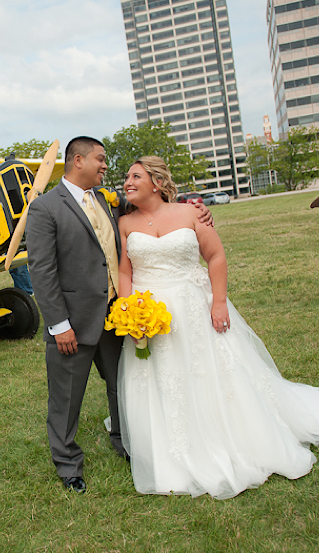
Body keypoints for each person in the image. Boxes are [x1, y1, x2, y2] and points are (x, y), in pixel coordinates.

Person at [115, 156, 319, 499]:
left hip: (193, 306)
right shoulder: (124, 222)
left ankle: (228, 434)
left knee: (210, 374)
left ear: (157, 182)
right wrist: (129, 309)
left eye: (135, 176)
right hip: (146, 312)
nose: (127, 182)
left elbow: (215, 256)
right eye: (126, 177)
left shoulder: (190, 213)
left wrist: (219, 301)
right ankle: (173, 447)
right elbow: (125, 270)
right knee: (161, 378)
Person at [27, 137, 211, 492]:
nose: (106, 166)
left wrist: (199, 210)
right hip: (73, 323)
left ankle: (126, 443)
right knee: (66, 397)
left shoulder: (106, 199)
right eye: (101, 159)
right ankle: (68, 466)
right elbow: (42, 271)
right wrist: (59, 324)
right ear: (77, 160)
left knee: (122, 386)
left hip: (115, 316)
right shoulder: (45, 208)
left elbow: (154, 205)